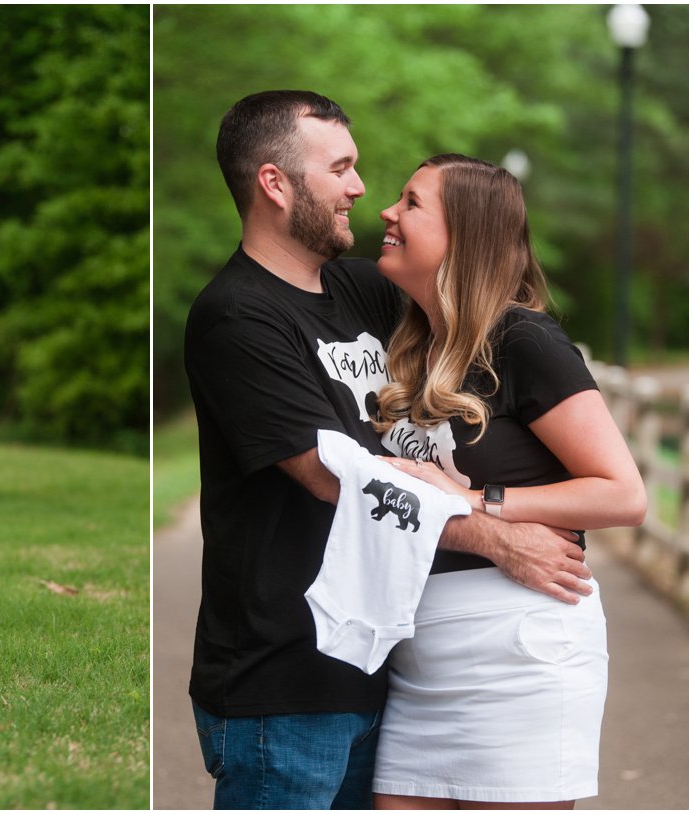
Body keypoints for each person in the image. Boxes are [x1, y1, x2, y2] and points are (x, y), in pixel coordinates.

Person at [184, 91, 593, 810]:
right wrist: (499, 539)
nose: (360, 190)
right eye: (340, 168)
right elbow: (331, 478)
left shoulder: (358, 288)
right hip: (282, 685)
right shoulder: (237, 316)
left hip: (379, 672)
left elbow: (467, 300)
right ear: (275, 184)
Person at [369, 154, 646, 809]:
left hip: (519, 655)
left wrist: (472, 500)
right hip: (416, 662)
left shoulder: (522, 340)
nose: (386, 211)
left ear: (463, 236)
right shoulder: (411, 348)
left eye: (411, 202)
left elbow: (623, 492)